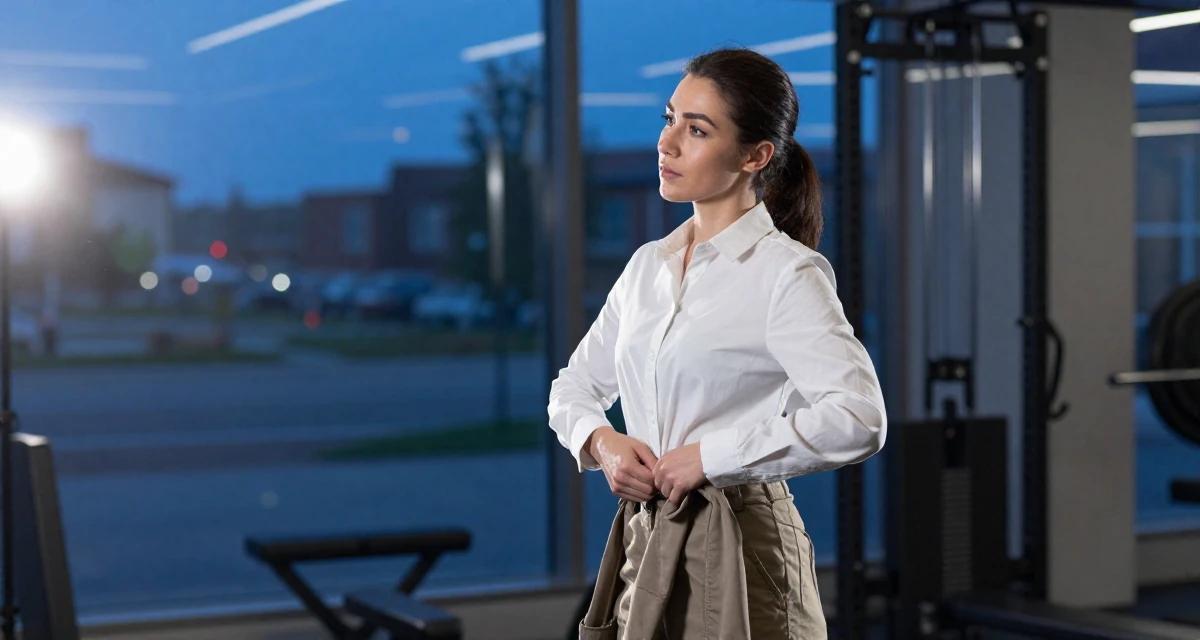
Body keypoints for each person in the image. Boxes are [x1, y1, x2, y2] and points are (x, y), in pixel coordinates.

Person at [548, 48, 886, 639]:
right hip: (647, 538)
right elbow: (573, 387)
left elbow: (859, 418)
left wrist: (711, 457)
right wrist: (603, 443)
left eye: (697, 129)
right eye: (669, 119)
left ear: (755, 156)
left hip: (744, 545)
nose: (668, 143)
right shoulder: (647, 267)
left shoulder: (786, 274)